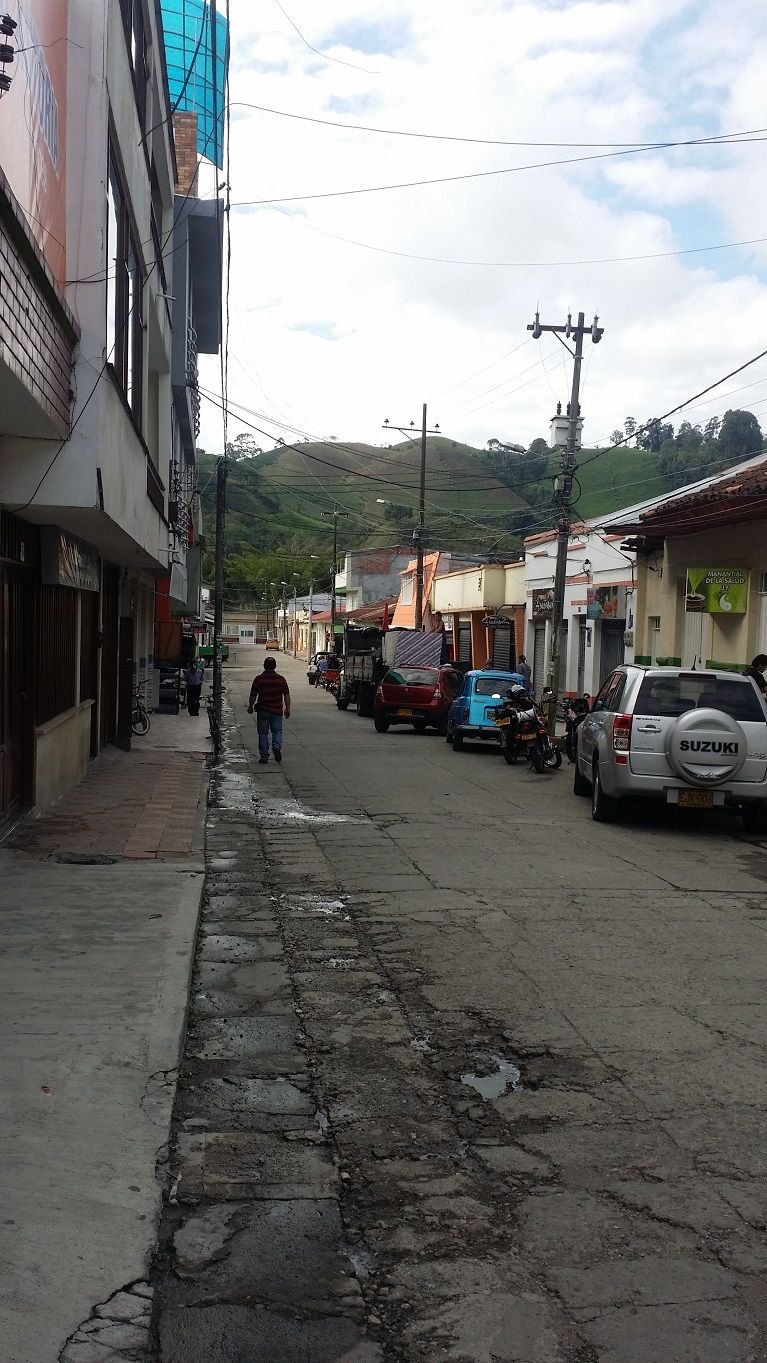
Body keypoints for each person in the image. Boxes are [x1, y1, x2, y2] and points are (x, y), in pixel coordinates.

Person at [248, 657, 291, 763]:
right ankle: (276, 746)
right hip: (277, 711)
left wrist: (250, 706)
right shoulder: (281, 679)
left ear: (264, 666)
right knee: (277, 731)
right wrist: (288, 708)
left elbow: (253, 695)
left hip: (263, 711)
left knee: (263, 734)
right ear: (275, 666)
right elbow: (286, 695)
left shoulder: (259, 679)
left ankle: (264, 757)